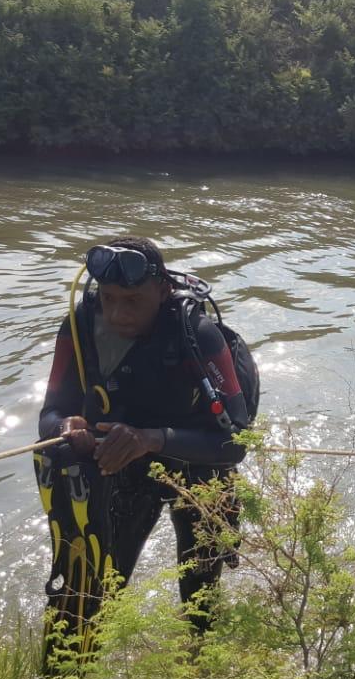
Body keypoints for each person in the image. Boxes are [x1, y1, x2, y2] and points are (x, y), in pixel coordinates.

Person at [36, 237, 250, 653]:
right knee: (96, 592)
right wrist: (66, 424)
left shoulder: (197, 334)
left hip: (198, 466)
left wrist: (151, 438)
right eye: (109, 298)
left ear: (163, 291)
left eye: (133, 300)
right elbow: (49, 413)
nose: (118, 313)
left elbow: (233, 441)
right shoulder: (80, 325)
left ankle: (199, 674)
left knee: (199, 598)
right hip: (122, 465)